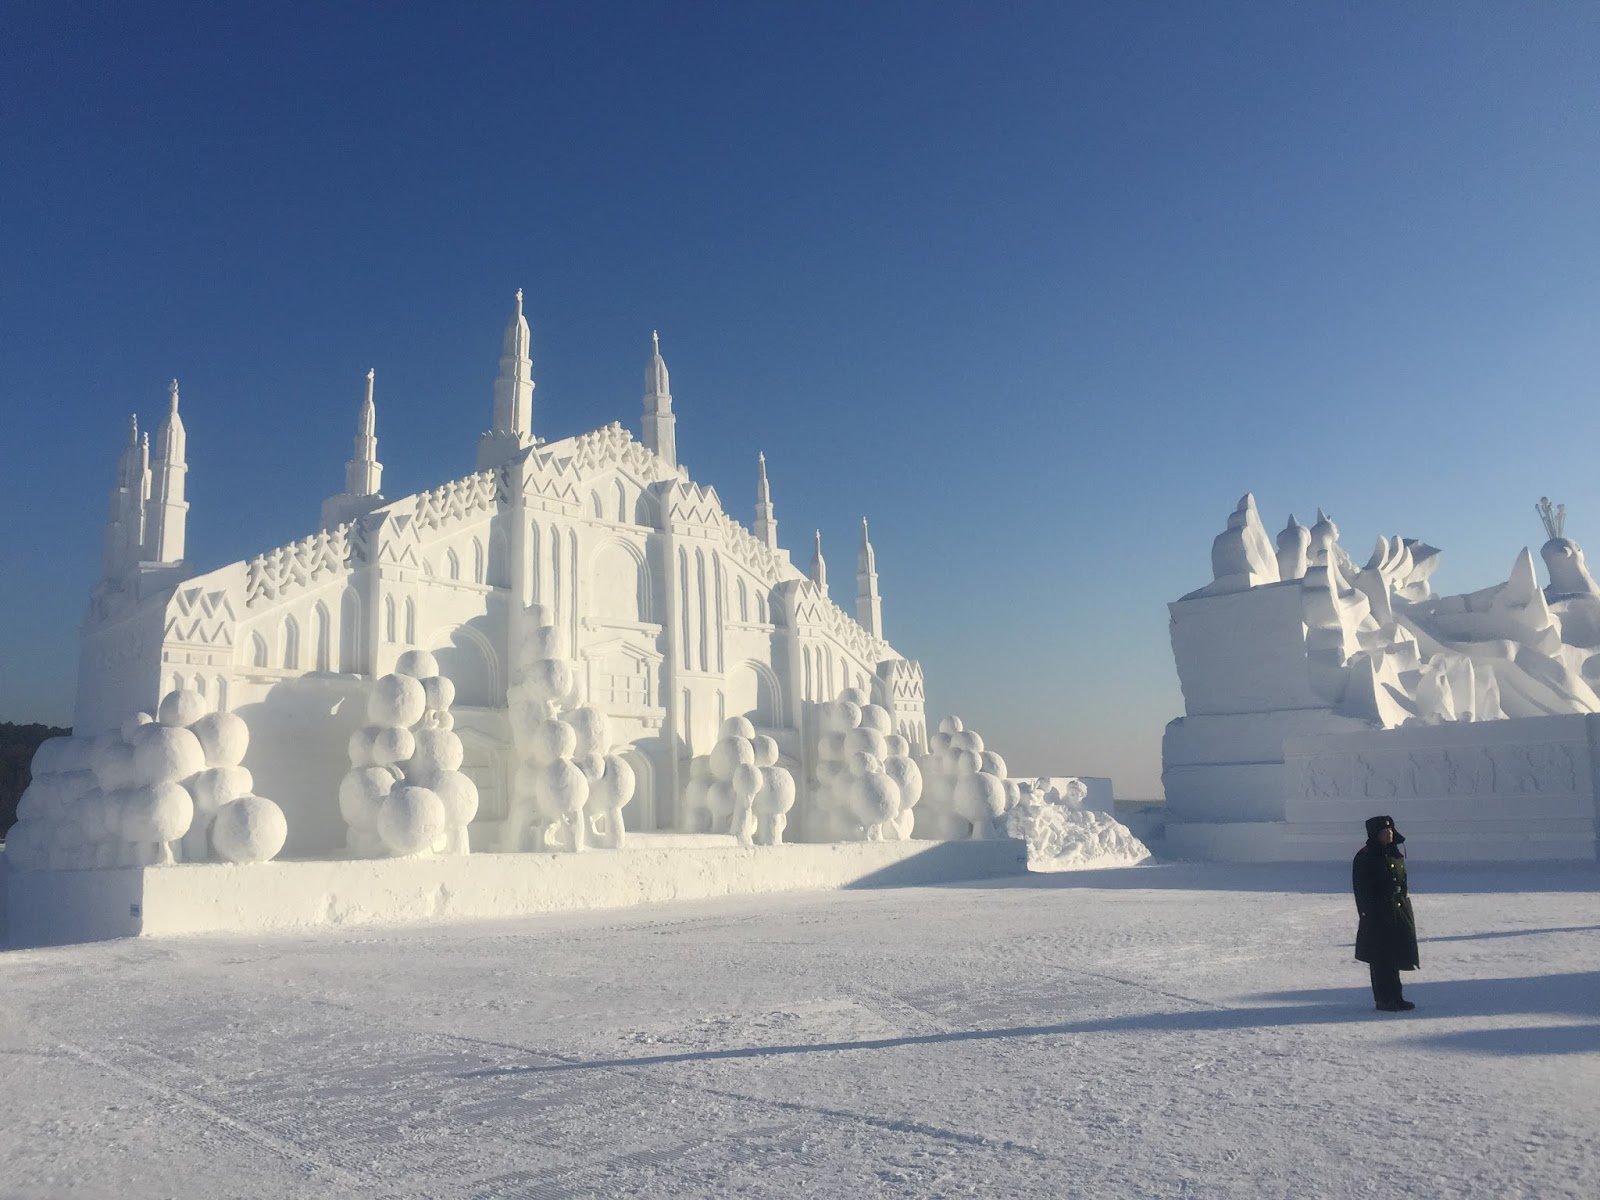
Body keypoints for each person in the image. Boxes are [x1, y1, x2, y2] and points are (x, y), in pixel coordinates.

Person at [1352, 814, 1418, 1012]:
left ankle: (1396, 996)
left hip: (1398, 909)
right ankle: (1383, 999)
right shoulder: (1366, 856)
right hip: (1378, 913)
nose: (1388, 834)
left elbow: (1401, 881)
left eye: (1390, 830)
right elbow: (1361, 888)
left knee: (1396, 955)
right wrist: (1366, 913)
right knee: (1381, 958)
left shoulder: (1395, 854)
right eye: (1384, 831)